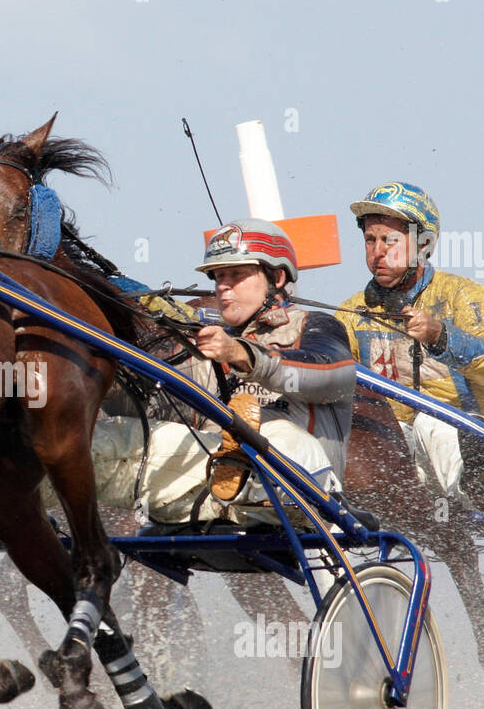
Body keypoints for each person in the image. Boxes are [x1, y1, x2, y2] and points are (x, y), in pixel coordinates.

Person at [91, 218, 356, 525]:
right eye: (218, 277)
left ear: (278, 277)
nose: (223, 286)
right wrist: (101, 376)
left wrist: (241, 354)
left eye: (236, 275)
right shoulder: (206, 346)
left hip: (304, 483)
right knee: (101, 439)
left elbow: (333, 376)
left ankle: (239, 467)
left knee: (272, 433)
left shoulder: (314, 325)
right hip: (212, 483)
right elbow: (155, 410)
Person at [333, 182, 484, 513]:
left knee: (427, 421)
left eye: (389, 240)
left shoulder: (462, 295)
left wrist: (440, 336)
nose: (377, 251)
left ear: (423, 243)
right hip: (402, 455)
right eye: (369, 239)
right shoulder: (351, 313)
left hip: (479, 445)